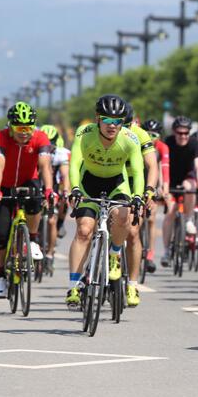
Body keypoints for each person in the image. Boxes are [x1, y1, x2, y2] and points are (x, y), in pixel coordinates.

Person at [67, 95, 145, 307]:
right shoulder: (84, 134)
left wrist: (138, 195)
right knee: (84, 230)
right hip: (88, 183)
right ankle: (73, 286)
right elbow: (74, 164)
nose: (113, 126)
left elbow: (138, 171)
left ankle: (114, 254)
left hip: (116, 184)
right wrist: (74, 188)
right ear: (97, 119)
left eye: (117, 121)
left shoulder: (130, 138)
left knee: (123, 216)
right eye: (107, 120)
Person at [0, 102, 55, 298]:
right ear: (11, 126)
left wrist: (50, 189)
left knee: (36, 198)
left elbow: (44, 166)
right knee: (0, 234)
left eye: (28, 128)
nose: (24, 133)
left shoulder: (40, 137)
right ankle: (0, 276)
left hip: (28, 181)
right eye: (20, 128)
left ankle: (32, 239)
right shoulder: (0, 137)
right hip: (5, 185)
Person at [121, 104, 158, 303]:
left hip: (136, 181)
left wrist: (149, 191)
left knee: (133, 233)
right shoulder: (106, 132)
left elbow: (152, 165)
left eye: (127, 125)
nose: (123, 129)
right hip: (112, 180)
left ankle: (132, 284)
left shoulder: (141, 134)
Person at [161, 116, 198, 268]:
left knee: (190, 187)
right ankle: (166, 251)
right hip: (170, 180)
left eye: (186, 133)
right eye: (180, 133)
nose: (183, 136)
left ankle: (189, 219)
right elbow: (162, 165)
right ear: (174, 132)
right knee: (171, 212)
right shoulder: (168, 142)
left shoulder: (194, 143)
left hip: (187, 177)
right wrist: (162, 186)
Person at [39, 124, 71, 268]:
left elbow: (65, 175)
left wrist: (66, 191)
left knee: (52, 220)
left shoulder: (61, 153)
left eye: (52, 142)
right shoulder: (36, 150)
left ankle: (50, 253)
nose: (49, 146)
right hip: (38, 186)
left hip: (55, 186)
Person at [141, 118, 170, 271]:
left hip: (153, 184)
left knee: (151, 218)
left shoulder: (162, 148)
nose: (152, 138)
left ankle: (150, 254)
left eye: (155, 135)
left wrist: (164, 188)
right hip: (138, 182)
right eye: (148, 134)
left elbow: (163, 168)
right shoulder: (138, 143)